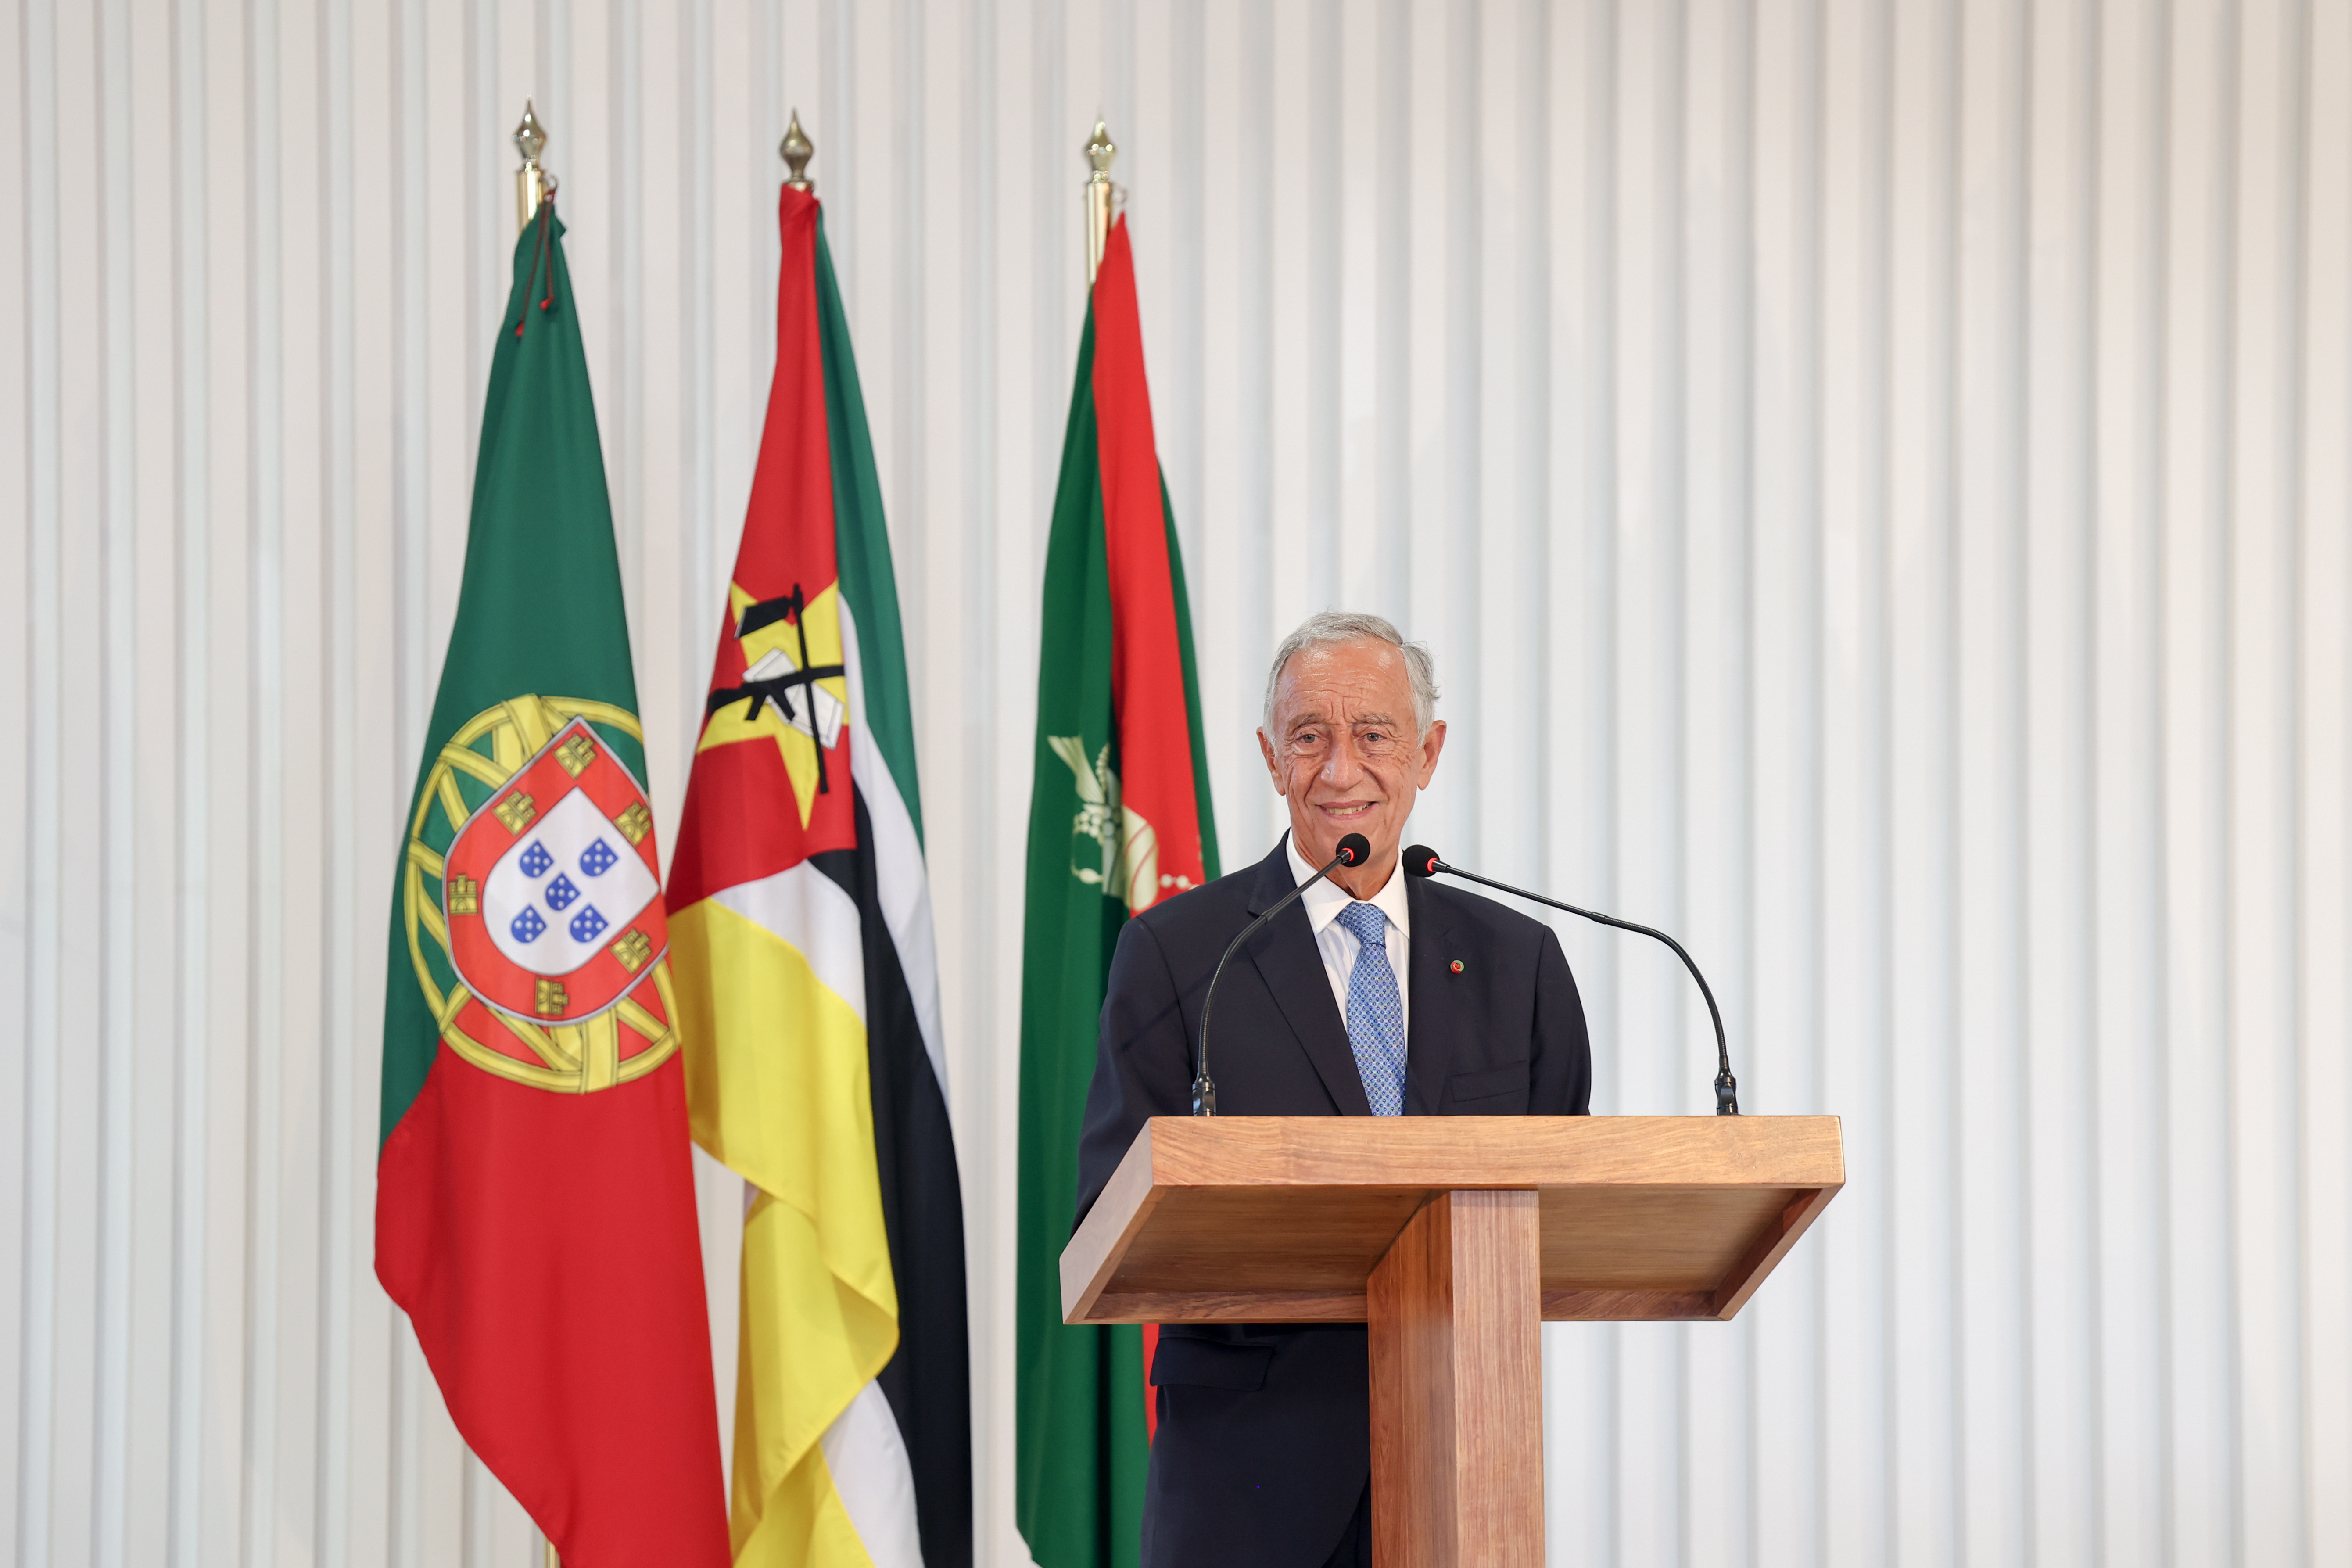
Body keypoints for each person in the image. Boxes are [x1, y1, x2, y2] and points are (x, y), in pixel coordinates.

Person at [1072, 610, 1594, 1568]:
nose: (1340, 769)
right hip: (1246, 1485)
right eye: (1309, 735)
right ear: (1272, 758)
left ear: (1428, 752)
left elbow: (1564, 1200)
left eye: (1374, 734)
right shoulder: (1182, 955)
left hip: (1466, 1463)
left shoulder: (1517, 960)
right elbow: (1108, 1212)